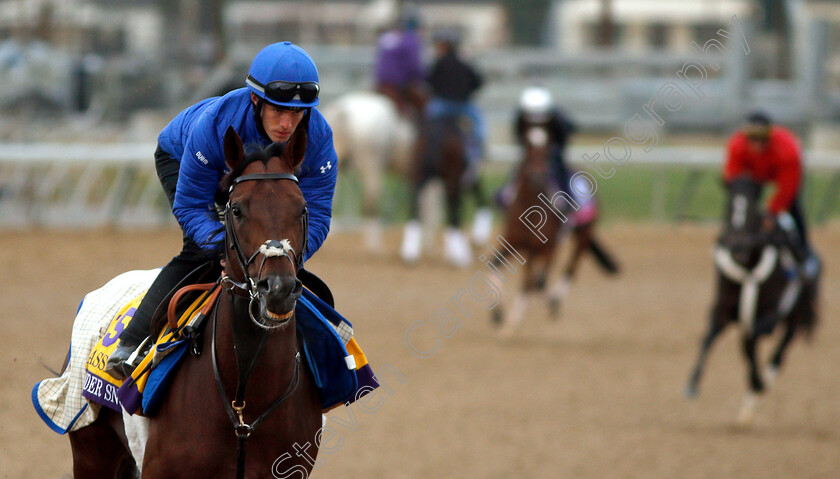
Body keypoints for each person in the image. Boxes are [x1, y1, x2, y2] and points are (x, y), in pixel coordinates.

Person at [106, 42, 338, 379]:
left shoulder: (317, 136)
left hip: (260, 187)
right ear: (256, 100)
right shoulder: (216, 125)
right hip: (187, 160)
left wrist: (289, 256)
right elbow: (190, 205)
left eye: (298, 113)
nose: (289, 124)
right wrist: (223, 244)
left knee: (276, 262)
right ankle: (131, 342)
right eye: (279, 111)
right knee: (202, 251)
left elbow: (316, 214)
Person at [723, 110, 818, 275]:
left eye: (761, 139)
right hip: (754, 178)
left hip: (782, 176)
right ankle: (730, 242)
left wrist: (771, 213)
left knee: (794, 211)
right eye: (752, 139)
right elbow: (733, 179)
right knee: (739, 206)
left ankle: (804, 254)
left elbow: (787, 188)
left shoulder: (788, 149)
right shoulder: (736, 145)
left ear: (769, 136)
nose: (756, 144)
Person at [424, 28, 485, 168]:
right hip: (463, 105)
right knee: (479, 123)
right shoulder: (464, 62)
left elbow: (428, 80)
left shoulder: (438, 63)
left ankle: (423, 150)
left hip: (442, 105)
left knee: (425, 122)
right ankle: (478, 152)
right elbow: (478, 81)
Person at [514, 86, 576, 193]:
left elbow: (566, 131)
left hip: (552, 151)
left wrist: (555, 148)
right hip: (530, 151)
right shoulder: (520, 118)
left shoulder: (557, 117)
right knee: (518, 170)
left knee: (559, 170)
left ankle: (566, 195)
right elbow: (518, 134)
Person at [373, 4, 425, 118]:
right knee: (422, 106)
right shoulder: (410, 39)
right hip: (398, 85)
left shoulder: (385, 37)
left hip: (380, 83)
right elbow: (414, 66)